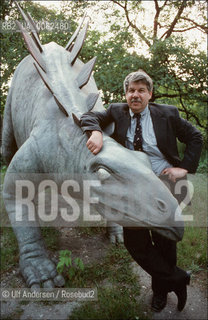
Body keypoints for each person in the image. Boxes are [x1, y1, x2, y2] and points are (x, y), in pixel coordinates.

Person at [80, 70, 203, 312]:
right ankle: (178, 279)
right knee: (135, 242)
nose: (135, 95)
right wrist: (95, 131)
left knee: (164, 241)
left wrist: (184, 168)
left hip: (164, 182)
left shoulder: (168, 114)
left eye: (141, 90)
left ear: (150, 94)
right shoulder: (116, 111)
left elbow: (195, 137)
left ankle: (159, 292)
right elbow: (88, 116)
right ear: (126, 94)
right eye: (131, 90)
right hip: (132, 188)